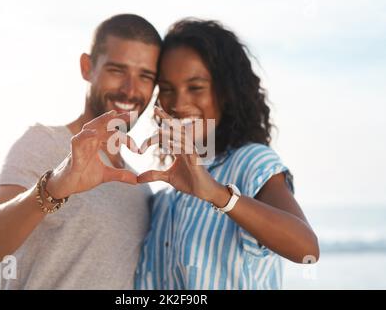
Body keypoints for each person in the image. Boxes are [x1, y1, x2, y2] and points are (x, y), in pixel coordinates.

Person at [0, 14, 161, 289]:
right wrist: (53, 187)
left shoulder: (141, 188)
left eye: (145, 76)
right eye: (117, 70)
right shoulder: (43, 143)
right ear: (87, 67)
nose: (130, 89)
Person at [135, 19, 319, 290]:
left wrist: (216, 193)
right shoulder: (163, 201)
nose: (178, 103)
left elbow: (307, 249)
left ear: (225, 92)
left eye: (195, 87)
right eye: (168, 90)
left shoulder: (252, 162)